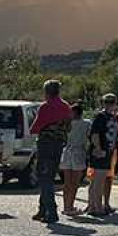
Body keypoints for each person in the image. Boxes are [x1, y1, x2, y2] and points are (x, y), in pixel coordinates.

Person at [29, 79, 72, 223]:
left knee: (44, 178)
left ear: (47, 92)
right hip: (59, 146)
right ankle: (42, 210)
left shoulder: (46, 107)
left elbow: (35, 128)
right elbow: (69, 127)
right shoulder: (66, 107)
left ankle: (51, 211)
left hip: (46, 145)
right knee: (50, 176)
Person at [86, 93, 118, 217]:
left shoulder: (112, 117)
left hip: (108, 151)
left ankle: (92, 205)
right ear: (103, 103)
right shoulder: (100, 117)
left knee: (97, 180)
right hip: (100, 152)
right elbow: (95, 134)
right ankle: (97, 207)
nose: (110, 104)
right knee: (98, 181)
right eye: (107, 102)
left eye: (112, 102)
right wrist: (98, 148)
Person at [60, 102, 90, 216]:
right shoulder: (86, 123)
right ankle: (70, 206)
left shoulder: (67, 124)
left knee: (67, 182)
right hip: (78, 152)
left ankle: (66, 206)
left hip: (66, 151)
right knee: (75, 182)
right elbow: (90, 136)